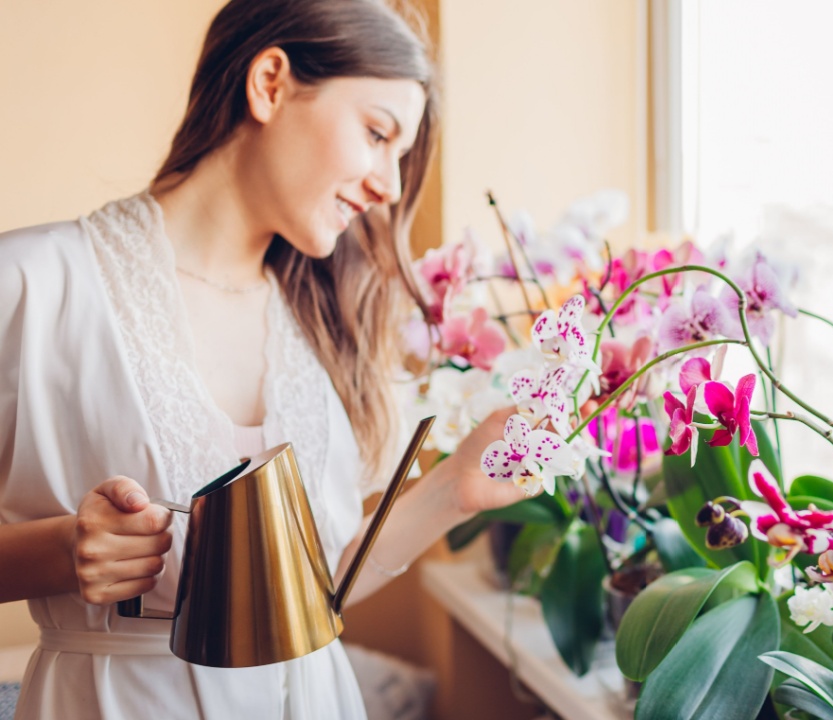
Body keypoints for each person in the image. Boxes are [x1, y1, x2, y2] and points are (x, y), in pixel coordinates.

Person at [0, 0, 526, 717]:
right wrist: (59, 553)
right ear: (270, 82)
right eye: (377, 134)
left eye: (400, 156)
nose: (391, 187)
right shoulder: (32, 283)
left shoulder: (321, 326)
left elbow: (308, 593)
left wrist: (454, 488)